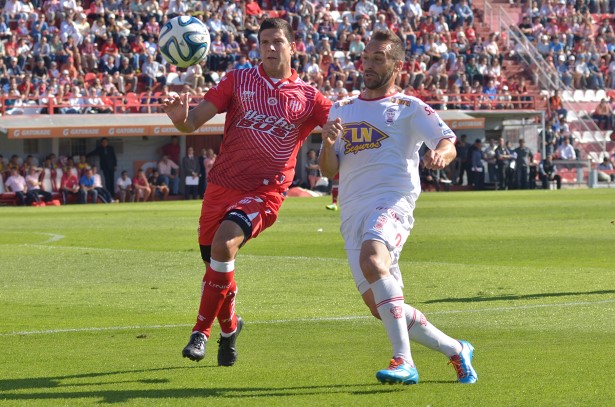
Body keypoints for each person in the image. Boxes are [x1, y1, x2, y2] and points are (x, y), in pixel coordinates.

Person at [162, 18, 332, 366]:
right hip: (221, 187)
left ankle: (200, 333)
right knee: (217, 266)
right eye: (265, 41)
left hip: (264, 194)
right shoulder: (238, 80)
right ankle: (230, 329)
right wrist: (180, 119)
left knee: (225, 245)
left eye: (278, 41)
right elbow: (192, 123)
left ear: (292, 46)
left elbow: (344, 128)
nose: (271, 47)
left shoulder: (310, 98)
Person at [318, 29, 477, 386]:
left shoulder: (409, 108)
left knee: (373, 260)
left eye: (379, 58)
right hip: (352, 212)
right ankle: (456, 349)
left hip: (393, 203)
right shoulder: (342, 108)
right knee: (382, 308)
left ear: (397, 65)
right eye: (366, 57)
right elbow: (329, 170)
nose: (369, 64)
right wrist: (328, 145)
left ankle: (404, 361)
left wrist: (441, 154)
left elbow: (447, 141)